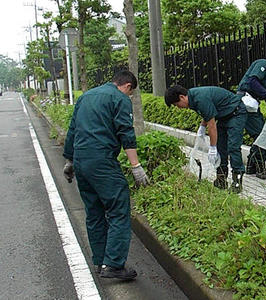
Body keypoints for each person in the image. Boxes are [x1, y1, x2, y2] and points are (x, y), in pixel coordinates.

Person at [62, 70, 149, 280]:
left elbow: (73, 129)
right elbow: (125, 132)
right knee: (118, 208)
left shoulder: (86, 97)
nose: (129, 96)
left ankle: (99, 262)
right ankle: (114, 265)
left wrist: (70, 160)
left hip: (81, 161)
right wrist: (136, 166)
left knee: (94, 213)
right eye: (131, 93)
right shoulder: (119, 99)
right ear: (128, 86)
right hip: (102, 161)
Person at [164, 85, 247, 193]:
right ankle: (221, 178)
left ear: (182, 97)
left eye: (176, 104)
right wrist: (202, 126)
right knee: (221, 148)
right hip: (223, 115)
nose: (178, 107)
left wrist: (212, 147)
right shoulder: (192, 98)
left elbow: (212, 126)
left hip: (236, 112)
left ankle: (237, 181)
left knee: (233, 147)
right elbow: (207, 113)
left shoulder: (199, 98)